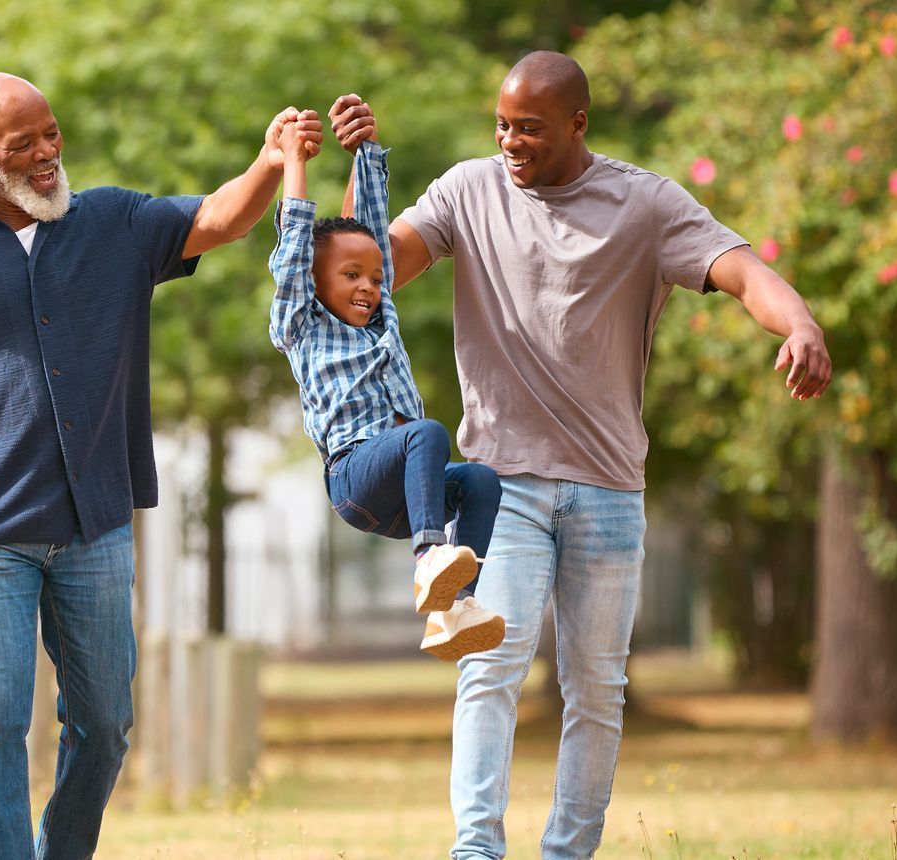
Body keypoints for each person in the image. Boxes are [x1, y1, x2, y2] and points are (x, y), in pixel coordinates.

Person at [328, 51, 833, 859]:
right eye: (501, 124)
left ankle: (568, 851)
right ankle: (477, 850)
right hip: (506, 482)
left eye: (528, 127)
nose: (509, 141)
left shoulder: (645, 203)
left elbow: (740, 272)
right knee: (489, 665)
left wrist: (800, 322)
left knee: (596, 692)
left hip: (607, 490)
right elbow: (369, 270)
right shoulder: (470, 190)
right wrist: (362, 165)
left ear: (577, 124)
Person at [0, 73, 321, 859]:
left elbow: (218, 219)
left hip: (96, 526)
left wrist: (269, 161)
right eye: (23, 145)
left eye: (51, 133)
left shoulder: (113, 219)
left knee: (107, 722)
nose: (47, 154)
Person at [267, 107, 505, 662]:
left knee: (481, 481)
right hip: (356, 479)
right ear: (314, 281)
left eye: (375, 278)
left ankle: (456, 608)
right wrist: (294, 163)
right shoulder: (300, 324)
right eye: (351, 277)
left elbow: (373, 232)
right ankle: (430, 557)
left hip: (405, 494)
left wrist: (366, 151)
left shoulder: (383, 317)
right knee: (426, 432)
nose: (368, 288)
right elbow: (295, 243)